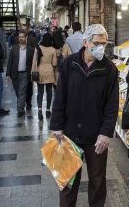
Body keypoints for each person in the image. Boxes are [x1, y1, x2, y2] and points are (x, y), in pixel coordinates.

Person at [50, 24, 119, 207]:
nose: (101, 47)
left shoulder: (109, 69)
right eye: (97, 43)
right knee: (68, 182)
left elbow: (112, 106)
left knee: (97, 181)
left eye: (104, 43)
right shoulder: (69, 63)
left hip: (96, 136)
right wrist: (56, 125)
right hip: (70, 133)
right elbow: (60, 97)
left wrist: (106, 133)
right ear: (86, 42)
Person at [6, 30, 35, 117]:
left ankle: (20, 109)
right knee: (18, 92)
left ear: (26, 38)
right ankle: (22, 104)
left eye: (22, 37)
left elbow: (32, 63)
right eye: (20, 37)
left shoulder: (30, 50)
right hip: (14, 74)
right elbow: (10, 61)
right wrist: (8, 74)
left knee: (22, 92)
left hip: (25, 74)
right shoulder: (14, 49)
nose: (21, 38)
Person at [32, 33, 57, 120]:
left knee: (40, 92)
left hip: (40, 71)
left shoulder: (38, 48)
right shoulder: (53, 49)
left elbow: (34, 61)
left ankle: (39, 109)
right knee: (49, 92)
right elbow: (54, 64)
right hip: (49, 71)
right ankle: (47, 110)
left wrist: (33, 71)